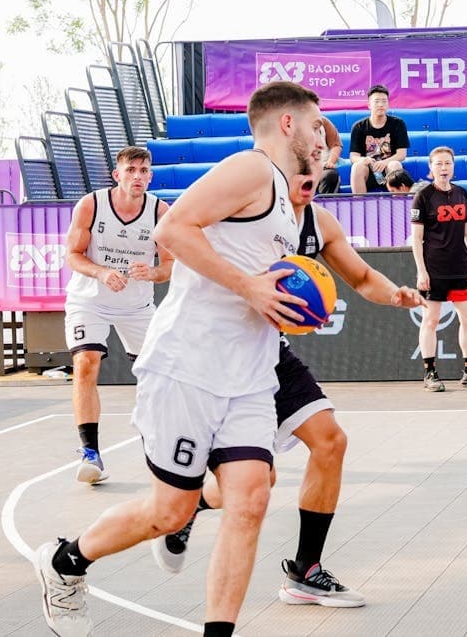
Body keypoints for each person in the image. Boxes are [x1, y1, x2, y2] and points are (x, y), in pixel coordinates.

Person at [34, 81, 327, 637]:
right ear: (287, 123)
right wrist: (251, 289)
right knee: (169, 511)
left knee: (250, 500)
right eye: (314, 124)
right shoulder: (250, 169)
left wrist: (275, 304)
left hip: (247, 375)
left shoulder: (285, 198)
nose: (320, 136)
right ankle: (65, 561)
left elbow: (250, 272)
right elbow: (171, 229)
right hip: (187, 368)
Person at [152, 168, 424, 607]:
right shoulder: (245, 204)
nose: (309, 171)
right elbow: (178, 233)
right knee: (263, 478)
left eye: (316, 163)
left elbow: (361, 277)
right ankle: (193, 504)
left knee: (331, 441)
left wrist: (396, 295)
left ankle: (305, 571)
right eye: (301, 163)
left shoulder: (320, 223)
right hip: (220, 350)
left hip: (273, 353)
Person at [63, 146, 173, 485]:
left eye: (143, 171)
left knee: (155, 377)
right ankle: (90, 453)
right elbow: (73, 255)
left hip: (136, 305)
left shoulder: (160, 211)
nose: (137, 176)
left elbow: (169, 265)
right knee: (86, 364)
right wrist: (100, 272)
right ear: (117, 175)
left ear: (150, 176)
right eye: (131, 170)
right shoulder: (91, 205)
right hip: (90, 299)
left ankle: (158, 446)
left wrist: (152, 273)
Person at [411, 146, 467, 390]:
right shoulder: (423, 197)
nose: (444, 168)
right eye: (439, 164)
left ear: (453, 166)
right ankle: (430, 373)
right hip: (434, 267)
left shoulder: (461, 194)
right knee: (431, 319)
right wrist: (421, 270)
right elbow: (416, 238)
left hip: (460, 266)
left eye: (447, 163)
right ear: (430, 169)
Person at [349, 84, 409, 194]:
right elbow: (353, 156)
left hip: (388, 169)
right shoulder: (359, 127)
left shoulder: (398, 124)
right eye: (376, 101)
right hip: (368, 170)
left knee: (395, 165)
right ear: (369, 105)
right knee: (357, 167)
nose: (381, 104)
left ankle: (399, 203)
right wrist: (364, 160)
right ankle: (359, 206)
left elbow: (402, 154)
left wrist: (384, 162)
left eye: (384, 101)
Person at [315, 115, 343, 194]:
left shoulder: (324, 122)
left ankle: (326, 204)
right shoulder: (291, 125)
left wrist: (330, 162)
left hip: (323, 168)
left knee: (330, 175)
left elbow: (336, 145)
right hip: (299, 171)